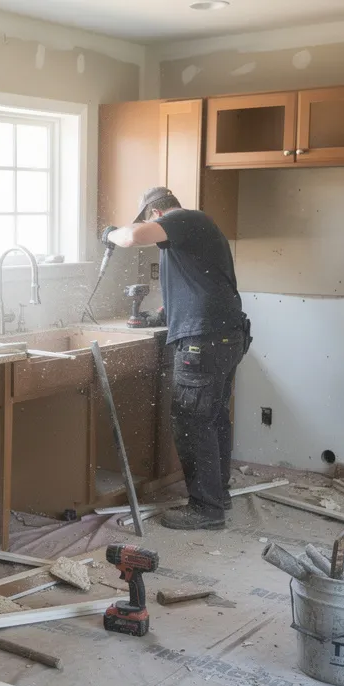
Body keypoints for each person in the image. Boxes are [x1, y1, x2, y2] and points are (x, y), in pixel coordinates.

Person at [103, 186, 249, 531]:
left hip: (204, 340)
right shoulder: (193, 234)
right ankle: (218, 495)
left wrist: (110, 234)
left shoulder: (183, 218)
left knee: (192, 420)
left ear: (156, 214)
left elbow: (132, 237)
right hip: (223, 334)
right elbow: (196, 284)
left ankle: (205, 510)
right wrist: (162, 314)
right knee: (211, 419)